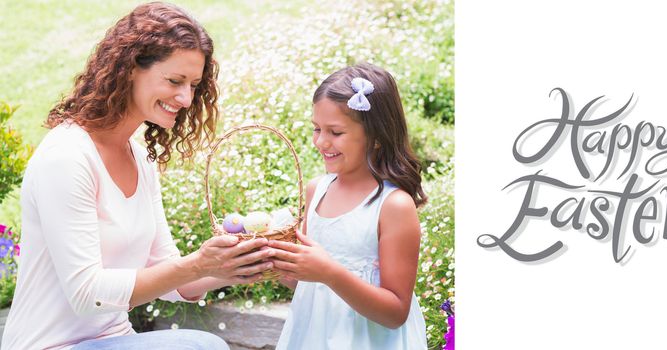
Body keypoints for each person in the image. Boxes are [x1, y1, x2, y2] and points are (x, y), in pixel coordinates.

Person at [0, 3, 274, 349]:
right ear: (130, 69)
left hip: (112, 340)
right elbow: (87, 295)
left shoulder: (140, 156)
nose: (186, 98)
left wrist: (226, 267)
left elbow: (170, 276)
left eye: (193, 85)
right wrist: (196, 265)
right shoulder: (67, 157)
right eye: (175, 81)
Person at [269, 63, 429, 349]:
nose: (321, 141)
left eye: (336, 132)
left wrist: (329, 272)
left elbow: (395, 312)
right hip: (313, 337)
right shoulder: (317, 191)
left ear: (377, 137)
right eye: (317, 129)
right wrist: (278, 265)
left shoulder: (393, 206)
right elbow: (311, 285)